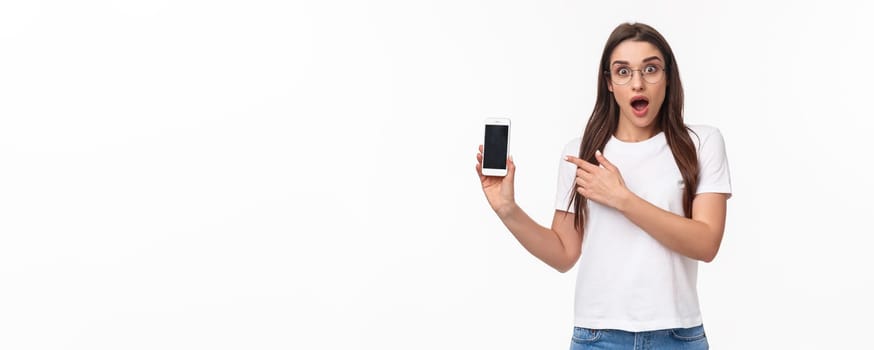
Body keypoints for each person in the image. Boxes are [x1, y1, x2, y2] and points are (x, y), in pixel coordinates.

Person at [475, 22, 731, 349]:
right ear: (609, 83)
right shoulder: (579, 152)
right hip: (597, 338)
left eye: (650, 69)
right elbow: (564, 254)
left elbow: (706, 243)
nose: (638, 83)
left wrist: (622, 198)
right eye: (623, 72)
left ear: (668, 76)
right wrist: (507, 209)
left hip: (677, 336)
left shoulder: (701, 143)